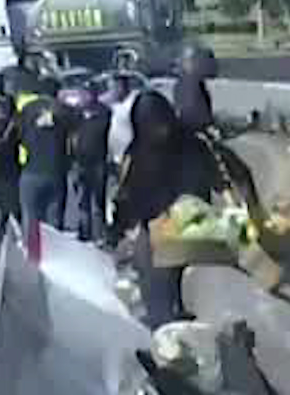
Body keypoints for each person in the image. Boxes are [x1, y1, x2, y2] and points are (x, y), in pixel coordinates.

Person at [110, 92, 259, 328]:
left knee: (158, 273)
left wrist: (246, 207)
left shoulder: (191, 143)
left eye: (163, 124)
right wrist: (121, 227)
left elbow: (230, 173)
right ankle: (166, 323)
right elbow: (125, 197)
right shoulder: (140, 153)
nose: (161, 131)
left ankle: (170, 324)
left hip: (191, 223)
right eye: (154, 126)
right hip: (161, 228)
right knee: (153, 274)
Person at [12, 72, 72, 232]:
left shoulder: (27, 109)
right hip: (56, 172)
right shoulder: (64, 110)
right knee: (54, 223)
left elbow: (16, 134)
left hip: (31, 170)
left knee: (30, 219)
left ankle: (31, 247)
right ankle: (52, 247)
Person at [69, 79, 114, 244]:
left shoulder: (105, 112)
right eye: (81, 93)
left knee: (99, 202)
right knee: (82, 201)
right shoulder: (76, 114)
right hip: (80, 163)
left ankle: (101, 234)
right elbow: (71, 136)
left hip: (98, 163)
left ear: (94, 95)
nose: (83, 96)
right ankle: (84, 233)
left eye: (86, 93)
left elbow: (111, 137)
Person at [174, 46, 218, 135]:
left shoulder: (181, 83)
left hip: (187, 129)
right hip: (195, 130)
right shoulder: (192, 84)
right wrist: (210, 128)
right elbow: (196, 112)